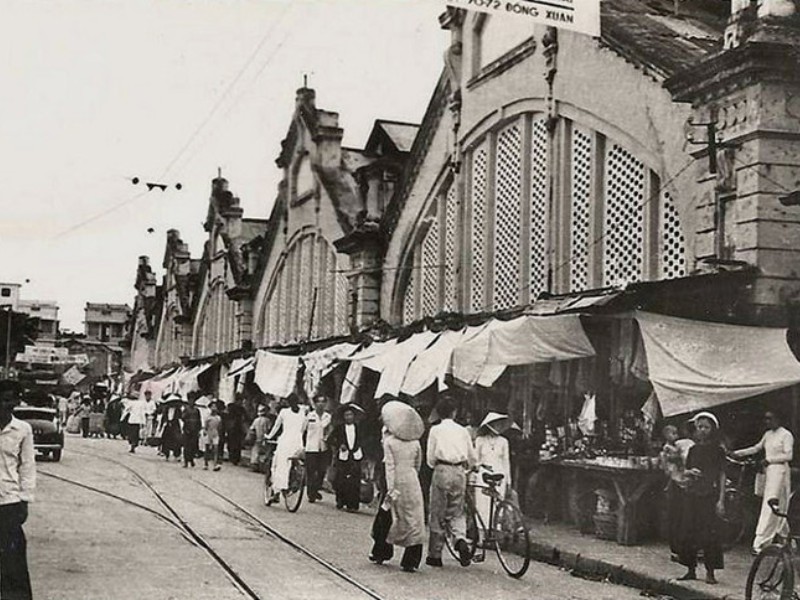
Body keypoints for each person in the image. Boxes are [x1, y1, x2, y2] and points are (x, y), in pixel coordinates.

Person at [730, 410, 794, 554]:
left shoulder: (786, 435)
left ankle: (760, 542)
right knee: (777, 505)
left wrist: (769, 460)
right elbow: (756, 448)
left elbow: (788, 455)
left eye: (770, 418)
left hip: (780, 471)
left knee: (770, 504)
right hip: (769, 472)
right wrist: (737, 453)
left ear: (779, 419)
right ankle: (786, 539)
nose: (767, 421)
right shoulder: (768, 434)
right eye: (766, 419)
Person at [425, 395, 476, 568]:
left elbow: (430, 459)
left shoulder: (435, 430)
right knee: (457, 510)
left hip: (442, 469)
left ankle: (435, 555)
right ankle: (460, 540)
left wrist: (436, 465)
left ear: (439, 413)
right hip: (459, 471)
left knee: (438, 512)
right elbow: (471, 456)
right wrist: (470, 467)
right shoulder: (463, 431)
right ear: (455, 412)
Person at [675, 411, 726, 585]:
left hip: (709, 495)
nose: (702, 430)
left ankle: (710, 572)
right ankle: (690, 569)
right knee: (688, 530)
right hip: (692, 494)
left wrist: (721, 500)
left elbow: (721, 475)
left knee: (709, 534)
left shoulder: (718, 450)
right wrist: (689, 472)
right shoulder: (693, 449)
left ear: (712, 429)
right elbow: (685, 471)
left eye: (706, 427)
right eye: (699, 427)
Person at [378, 402, 426, 573]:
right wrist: (412, 475)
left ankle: (381, 550)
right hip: (412, 480)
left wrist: (391, 489)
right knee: (414, 518)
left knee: (389, 515)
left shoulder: (389, 442)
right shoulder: (415, 443)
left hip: (396, 481)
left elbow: (389, 467)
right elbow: (418, 464)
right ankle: (411, 559)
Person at [0, 380, 35, 600]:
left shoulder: (22, 429)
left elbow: (28, 466)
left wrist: (25, 500)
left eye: (10, 399)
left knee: (13, 560)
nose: (6, 404)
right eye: (2, 399)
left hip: (9, 502)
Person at [266, 395, 307, 504]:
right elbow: (303, 429)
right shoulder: (303, 412)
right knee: (295, 463)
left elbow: (276, 426)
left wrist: (269, 436)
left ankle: (277, 492)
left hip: (285, 441)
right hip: (298, 442)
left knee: (280, 466)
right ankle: (293, 484)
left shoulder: (284, 412)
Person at [661, 424, 695, 559]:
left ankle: (680, 548)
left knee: (681, 517)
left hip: (680, 482)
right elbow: (677, 459)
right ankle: (676, 549)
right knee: (676, 516)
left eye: (676, 433)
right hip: (676, 483)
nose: (676, 436)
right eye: (672, 433)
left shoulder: (679, 445)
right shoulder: (668, 448)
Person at [473, 415, 511, 530]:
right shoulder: (480, 440)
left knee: (497, 504)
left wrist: (508, 480)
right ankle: (481, 533)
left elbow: (506, 461)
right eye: (496, 424)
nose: (498, 427)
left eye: (500, 424)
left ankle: (496, 534)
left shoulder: (504, 441)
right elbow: (475, 459)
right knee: (482, 505)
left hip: (500, 474)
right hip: (484, 475)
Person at [328, 404, 364, 512]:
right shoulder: (339, 428)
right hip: (344, 456)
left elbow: (364, 440)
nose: (349, 417)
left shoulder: (358, 428)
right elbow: (330, 439)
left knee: (354, 480)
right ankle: (341, 500)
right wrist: (340, 445)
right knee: (342, 479)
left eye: (350, 415)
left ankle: (353, 504)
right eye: (346, 415)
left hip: (355, 455)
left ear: (354, 416)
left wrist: (359, 448)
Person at [305, 395, 331, 502]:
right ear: (315, 404)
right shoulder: (309, 416)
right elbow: (303, 430)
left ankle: (315, 489)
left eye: (323, 402)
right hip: (311, 447)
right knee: (311, 471)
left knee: (321, 471)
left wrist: (328, 436)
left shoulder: (328, 417)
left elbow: (330, 430)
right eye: (318, 402)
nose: (321, 404)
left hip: (323, 447)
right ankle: (311, 493)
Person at [248, 405, 271, 472]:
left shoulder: (256, 420)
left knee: (255, 452)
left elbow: (252, 429)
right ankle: (263, 466)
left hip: (257, 438)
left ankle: (254, 465)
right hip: (265, 438)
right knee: (265, 453)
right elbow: (269, 429)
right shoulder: (267, 420)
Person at [224, 397, 247, 465]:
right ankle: (234, 458)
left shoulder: (240, 408)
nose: (241, 402)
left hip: (236, 428)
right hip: (234, 428)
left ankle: (234, 458)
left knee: (235, 444)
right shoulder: (235, 408)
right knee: (233, 443)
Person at [181, 395, 202, 468]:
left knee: (193, 446)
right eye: (190, 400)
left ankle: (191, 459)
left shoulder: (196, 410)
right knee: (186, 446)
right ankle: (186, 461)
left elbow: (199, 420)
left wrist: (199, 429)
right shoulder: (186, 409)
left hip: (195, 430)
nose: (191, 402)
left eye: (193, 401)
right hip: (187, 429)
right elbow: (182, 418)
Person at [203, 403, 222, 471]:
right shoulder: (208, 418)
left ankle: (215, 464)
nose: (214, 409)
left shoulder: (218, 418)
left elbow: (220, 427)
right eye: (212, 407)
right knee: (207, 449)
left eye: (215, 407)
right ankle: (205, 464)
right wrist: (205, 432)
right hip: (209, 433)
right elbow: (205, 427)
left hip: (215, 434)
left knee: (215, 449)